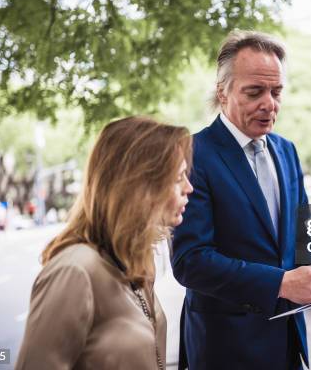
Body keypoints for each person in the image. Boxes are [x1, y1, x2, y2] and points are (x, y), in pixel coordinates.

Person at [171, 30, 311, 370]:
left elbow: (302, 238)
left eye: (277, 91)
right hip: (224, 349)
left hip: (288, 345)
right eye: (255, 92)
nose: (270, 103)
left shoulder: (287, 151)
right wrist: (281, 284)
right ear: (222, 94)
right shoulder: (193, 153)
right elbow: (190, 261)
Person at [16, 116, 193, 370]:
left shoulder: (137, 264)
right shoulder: (74, 270)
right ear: (139, 186)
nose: (189, 188)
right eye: (178, 178)